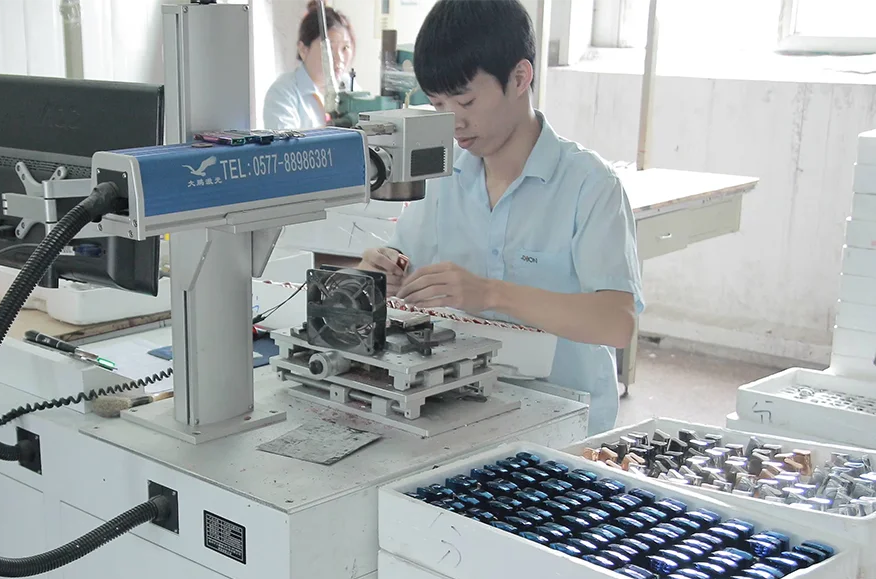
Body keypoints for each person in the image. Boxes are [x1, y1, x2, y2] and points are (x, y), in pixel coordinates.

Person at [357, 0, 642, 435]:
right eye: (438, 104)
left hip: (566, 421)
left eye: (466, 101)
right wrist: (382, 274)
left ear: (520, 78)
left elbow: (617, 322)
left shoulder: (590, 186)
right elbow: (404, 265)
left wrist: (490, 293)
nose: (453, 122)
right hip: (458, 411)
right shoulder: (444, 178)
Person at [262, 1, 356, 131]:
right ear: (303, 49)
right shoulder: (283, 92)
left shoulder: (349, 85)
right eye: (329, 48)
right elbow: (285, 142)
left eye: (345, 48)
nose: (339, 58)